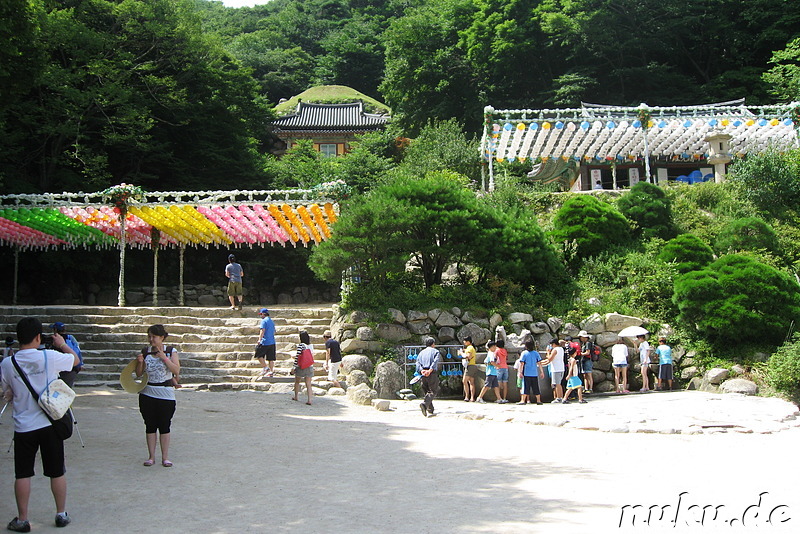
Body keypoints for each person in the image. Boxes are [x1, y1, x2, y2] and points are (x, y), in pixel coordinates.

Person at [1, 317, 80, 531]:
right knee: (56, 471)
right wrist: (62, 344)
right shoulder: (49, 357)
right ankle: (61, 513)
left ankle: (23, 518)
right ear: (38, 337)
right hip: (50, 422)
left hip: (24, 425)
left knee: (23, 473)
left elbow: (7, 390)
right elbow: (74, 361)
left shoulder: (8, 363)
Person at [135, 324, 180, 468]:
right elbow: (139, 373)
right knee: (150, 425)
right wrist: (140, 363)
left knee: (164, 425)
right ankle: (151, 457)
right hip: (147, 392)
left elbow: (176, 370)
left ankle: (165, 457)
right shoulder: (145, 351)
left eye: (153, 336)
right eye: (149, 336)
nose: (151, 339)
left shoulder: (170, 351)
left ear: (162, 337)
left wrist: (163, 358)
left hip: (165, 393)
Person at [50, 323, 82, 388]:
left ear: (55, 329)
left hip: (57, 368)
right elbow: (77, 350)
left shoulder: (53, 339)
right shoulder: (70, 338)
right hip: (71, 367)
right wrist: (80, 364)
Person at [416, 337, 440, 417]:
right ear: (433, 344)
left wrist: (422, 370)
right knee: (433, 390)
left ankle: (430, 409)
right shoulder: (436, 351)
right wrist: (430, 370)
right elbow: (435, 361)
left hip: (423, 373)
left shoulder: (421, 353)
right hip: (431, 373)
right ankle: (425, 404)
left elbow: (418, 362)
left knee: (426, 390)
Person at [517, 341, 544, 405]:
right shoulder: (536, 353)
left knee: (525, 387)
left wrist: (520, 372)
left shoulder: (524, 353)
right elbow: (539, 363)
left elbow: (522, 364)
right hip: (534, 373)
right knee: (536, 387)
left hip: (527, 373)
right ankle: (538, 400)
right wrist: (542, 372)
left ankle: (523, 400)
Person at [292, 331, 315, 405]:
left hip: (301, 366)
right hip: (309, 365)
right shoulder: (311, 346)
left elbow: (298, 357)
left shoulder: (301, 345)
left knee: (297, 381)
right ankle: (309, 400)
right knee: (308, 384)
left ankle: (296, 396)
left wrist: (294, 367)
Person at [540, 339, 565, 403]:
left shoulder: (555, 350)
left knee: (557, 384)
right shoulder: (561, 349)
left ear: (554, 344)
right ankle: (560, 397)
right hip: (561, 368)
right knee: (559, 383)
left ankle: (559, 398)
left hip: (556, 369)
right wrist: (541, 363)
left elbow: (549, 358)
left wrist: (548, 352)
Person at [255, 308, 276, 377]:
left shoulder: (264, 321)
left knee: (258, 355)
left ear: (263, 314)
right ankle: (271, 371)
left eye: (261, 314)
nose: (260, 316)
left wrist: (259, 339)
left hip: (265, 342)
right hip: (272, 342)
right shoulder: (271, 321)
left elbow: (262, 331)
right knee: (271, 358)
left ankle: (265, 368)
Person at [458, 337, 478, 402]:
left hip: (470, 366)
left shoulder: (469, 348)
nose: (464, 342)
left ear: (468, 342)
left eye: (465, 341)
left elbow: (468, 356)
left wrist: (461, 353)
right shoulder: (471, 348)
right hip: (473, 365)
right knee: (471, 382)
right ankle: (472, 397)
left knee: (464, 381)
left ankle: (467, 396)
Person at [494, 339, 509, 403]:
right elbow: (507, 358)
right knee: (505, 383)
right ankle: (504, 398)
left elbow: (495, 358)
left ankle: (499, 398)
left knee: (498, 383)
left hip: (499, 367)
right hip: (505, 367)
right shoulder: (505, 350)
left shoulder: (497, 351)